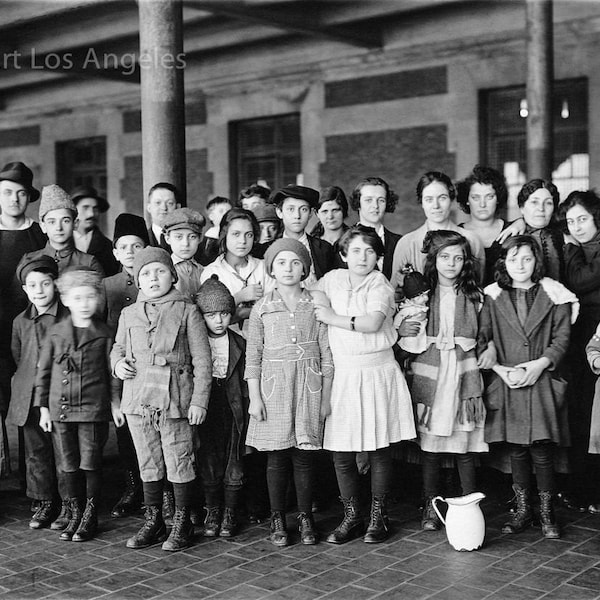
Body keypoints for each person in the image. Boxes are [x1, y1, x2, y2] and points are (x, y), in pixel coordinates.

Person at [314, 226, 416, 544]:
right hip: (343, 374)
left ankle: (378, 517)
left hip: (376, 372)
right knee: (342, 453)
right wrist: (320, 301)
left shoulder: (380, 284)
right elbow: (313, 295)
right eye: (356, 250)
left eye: (370, 251)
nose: (363, 257)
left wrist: (330, 315)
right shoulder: (331, 279)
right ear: (344, 254)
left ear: (378, 257)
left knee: (378, 449)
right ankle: (352, 516)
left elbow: (372, 323)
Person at [111, 247, 211, 552]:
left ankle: (183, 522)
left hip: (176, 400)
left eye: (160, 271)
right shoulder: (129, 313)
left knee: (179, 458)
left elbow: (203, 361)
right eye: (145, 274)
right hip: (139, 400)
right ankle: (154, 521)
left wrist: (199, 400)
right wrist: (117, 363)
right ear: (138, 282)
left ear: (173, 275)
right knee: (148, 461)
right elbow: (117, 346)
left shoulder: (187, 310)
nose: (153, 278)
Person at [477, 235, 577, 540]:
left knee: (542, 450)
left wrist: (539, 364)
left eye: (527, 259)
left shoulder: (555, 294)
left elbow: (561, 339)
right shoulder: (492, 296)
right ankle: (522, 510)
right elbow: (484, 337)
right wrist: (499, 369)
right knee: (517, 450)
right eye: (513, 259)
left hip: (541, 379)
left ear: (537, 261)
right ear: (503, 263)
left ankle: (546, 512)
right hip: (509, 380)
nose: (520, 265)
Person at [245, 238, 333, 547]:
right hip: (274, 388)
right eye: (281, 263)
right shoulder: (262, 308)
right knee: (277, 457)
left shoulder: (316, 304)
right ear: (270, 268)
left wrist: (325, 397)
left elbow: (326, 354)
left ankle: (305, 515)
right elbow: (253, 356)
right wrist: (255, 398)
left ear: (305, 269)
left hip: (308, 384)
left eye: (295, 262)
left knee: (305, 456)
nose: (288, 268)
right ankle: (278, 516)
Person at [35, 267, 124, 542]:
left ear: (98, 299)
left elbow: (112, 373)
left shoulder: (106, 332)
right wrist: (43, 408)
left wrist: (115, 403)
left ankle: (90, 515)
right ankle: (74, 512)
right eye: (77, 298)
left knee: (90, 463)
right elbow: (44, 371)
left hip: (92, 408)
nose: (84, 304)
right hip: (60, 408)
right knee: (68, 464)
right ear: (65, 300)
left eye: (89, 297)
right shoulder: (55, 332)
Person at [409, 231, 487, 531]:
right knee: (431, 444)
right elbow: (408, 336)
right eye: (445, 257)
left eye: (457, 258)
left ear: (465, 262)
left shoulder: (475, 297)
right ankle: (431, 505)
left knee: (463, 443)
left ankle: (469, 506)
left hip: (462, 374)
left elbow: (484, 336)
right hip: (433, 374)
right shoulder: (423, 297)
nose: (451, 263)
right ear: (434, 260)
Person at [9, 255, 69, 529]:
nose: (39, 290)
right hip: (29, 396)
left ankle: (69, 502)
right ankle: (45, 501)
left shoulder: (68, 317)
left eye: (45, 284)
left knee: (63, 451)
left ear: (55, 284)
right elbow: (18, 354)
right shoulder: (20, 321)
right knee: (36, 452)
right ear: (25, 289)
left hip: (59, 396)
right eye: (32, 285)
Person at [100, 213, 149, 519]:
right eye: (124, 246)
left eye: (137, 245)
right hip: (120, 369)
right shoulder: (108, 286)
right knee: (127, 436)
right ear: (116, 252)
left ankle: (157, 491)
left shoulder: (158, 280)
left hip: (152, 369)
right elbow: (104, 336)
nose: (131, 252)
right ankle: (133, 488)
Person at [195, 275, 249, 538]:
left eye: (225, 313)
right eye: (211, 314)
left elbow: (247, 381)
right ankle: (212, 509)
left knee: (234, 458)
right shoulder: (196, 344)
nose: (219, 320)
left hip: (233, 405)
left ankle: (230, 510)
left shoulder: (240, 344)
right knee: (208, 458)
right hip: (207, 404)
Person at [560, 190, 600, 512]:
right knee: (580, 410)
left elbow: (579, 280)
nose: (577, 226)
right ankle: (580, 488)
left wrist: (570, 248)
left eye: (582, 219)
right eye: (571, 221)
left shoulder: (584, 249)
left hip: (597, 334)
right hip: (578, 333)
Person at [391, 171, 485, 290]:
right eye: (429, 199)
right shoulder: (407, 243)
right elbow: (395, 291)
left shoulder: (472, 240)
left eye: (442, 198)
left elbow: (479, 286)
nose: (436, 206)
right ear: (422, 203)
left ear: (451, 200)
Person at [201, 208, 274, 338]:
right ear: (224, 235)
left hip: (264, 340)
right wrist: (239, 298)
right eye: (236, 234)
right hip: (225, 344)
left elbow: (274, 311)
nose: (243, 241)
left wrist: (239, 312)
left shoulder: (264, 267)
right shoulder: (211, 272)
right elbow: (211, 319)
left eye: (249, 234)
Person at [23, 184, 104, 277]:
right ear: (43, 226)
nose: (59, 228)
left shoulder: (89, 262)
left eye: (65, 221)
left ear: (75, 224)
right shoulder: (29, 261)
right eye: (52, 222)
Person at [264, 184, 337, 284]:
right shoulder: (266, 249)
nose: (297, 216)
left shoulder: (324, 249)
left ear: (311, 213)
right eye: (291, 209)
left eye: (303, 209)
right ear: (279, 212)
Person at [456, 165, 508, 285]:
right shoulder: (457, 234)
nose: (482, 204)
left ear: (498, 198)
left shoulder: (513, 230)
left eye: (489, 197)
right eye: (476, 197)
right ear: (467, 200)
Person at [351, 177, 401, 280]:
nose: (375, 206)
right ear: (358, 203)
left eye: (381, 200)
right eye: (368, 200)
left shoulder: (399, 242)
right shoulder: (344, 240)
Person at [70, 185, 119, 276]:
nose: (91, 214)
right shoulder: (59, 243)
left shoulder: (108, 247)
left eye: (95, 209)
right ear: (73, 210)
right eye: (85, 208)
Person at [162, 208, 205, 301]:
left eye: (192, 237)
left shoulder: (205, 271)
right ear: (167, 239)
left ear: (200, 239)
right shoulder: (162, 271)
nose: (185, 243)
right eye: (178, 237)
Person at [393, 265, 430, 355]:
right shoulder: (408, 309)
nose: (425, 298)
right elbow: (398, 319)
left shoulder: (423, 305)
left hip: (420, 333)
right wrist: (397, 329)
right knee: (408, 349)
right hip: (410, 335)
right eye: (420, 296)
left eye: (426, 294)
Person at [311, 186, 349, 251]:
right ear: (317, 213)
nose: (330, 216)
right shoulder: (311, 245)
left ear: (344, 210)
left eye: (335, 210)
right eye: (325, 211)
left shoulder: (355, 240)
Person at [146, 182, 180, 250]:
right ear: (149, 207)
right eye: (158, 203)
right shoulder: (142, 239)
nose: (164, 208)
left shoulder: (185, 240)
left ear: (178, 207)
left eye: (169, 203)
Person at [200, 197, 232, 266]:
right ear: (211, 216)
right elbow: (207, 257)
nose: (225, 214)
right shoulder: (212, 234)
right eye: (221, 211)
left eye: (228, 211)